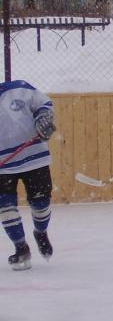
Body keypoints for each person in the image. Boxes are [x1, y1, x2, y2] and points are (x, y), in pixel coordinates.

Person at [0, 80, 56, 270]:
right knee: (6, 208)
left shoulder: (19, 89)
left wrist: (43, 118)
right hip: (3, 167)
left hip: (34, 157)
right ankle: (21, 248)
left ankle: (40, 232)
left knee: (41, 204)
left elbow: (43, 104)